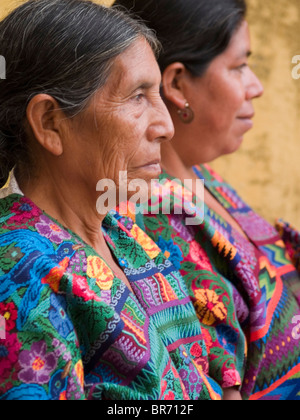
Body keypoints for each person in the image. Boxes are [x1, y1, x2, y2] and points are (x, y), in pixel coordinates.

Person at [0, 0, 225, 401]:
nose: (166, 126)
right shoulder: (21, 276)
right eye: (138, 96)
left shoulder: (122, 233)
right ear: (51, 123)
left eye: (157, 94)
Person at [115, 0, 300, 400]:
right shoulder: (149, 216)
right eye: (238, 66)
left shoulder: (202, 179)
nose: (257, 86)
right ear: (177, 84)